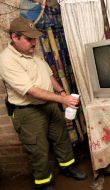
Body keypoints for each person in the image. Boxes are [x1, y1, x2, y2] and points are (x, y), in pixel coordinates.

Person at [0, 16, 86, 190]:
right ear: (15, 38)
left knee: (62, 138)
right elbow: (31, 90)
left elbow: (49, 75)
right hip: (28, 111)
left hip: (49, 104)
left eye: (35, 39)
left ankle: (68, 167)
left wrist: (61, 92)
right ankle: (44, 183)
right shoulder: (6, 60)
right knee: (37, 149)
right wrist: (62, 99)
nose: (34, 43)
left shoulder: (33, 52)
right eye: (29, 39)